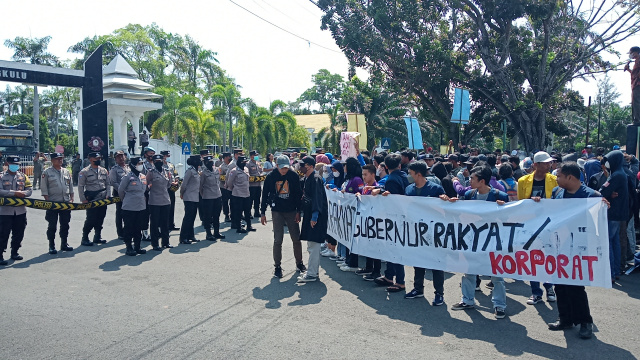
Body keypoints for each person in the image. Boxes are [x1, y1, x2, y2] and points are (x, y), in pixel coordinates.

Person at [441, 166, 509, 319]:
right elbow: (461, 210)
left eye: (472, 178)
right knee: (469, 271)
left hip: (492, 241)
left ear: (482, 181)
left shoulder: (501, 196)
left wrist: (503, 209)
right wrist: (450, 202)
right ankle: (467, 300)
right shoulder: (469, 194)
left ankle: (499, 305)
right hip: (472, 239)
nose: (469, 180)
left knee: (496, 275)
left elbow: (508, 220)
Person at [546, 162, 605, 339]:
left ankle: (585, 321)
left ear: (570, 177)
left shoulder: (592, 196)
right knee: (560, 285)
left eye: (559, 176)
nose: (556, 179)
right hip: (559, 247)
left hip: (579, 249)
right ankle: (565, 319)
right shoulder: (557, 193)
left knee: (576, 287)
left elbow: (599, 226)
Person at [403, 161, 446, 306]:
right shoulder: (409, 189)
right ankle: (418, 288)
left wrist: (445, 201)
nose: (409, 176)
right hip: (415, 232)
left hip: (433, 233)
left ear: (418, 174)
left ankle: (439, 293)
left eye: (411, 173)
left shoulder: (436, 189)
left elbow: (444, 210)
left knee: (436, 264)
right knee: (418, 261)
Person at [518, 151, 558, 304]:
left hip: (549, 225)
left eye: (549, 163)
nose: (549, 165)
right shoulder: (523, 181)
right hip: (530, 226)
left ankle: (549, 287)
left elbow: (558, 201)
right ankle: (536, 292)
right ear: (536, 165)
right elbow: (521, 204)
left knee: (548, 256)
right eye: (546, 163)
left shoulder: (554, 180)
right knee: (532, 258)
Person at [260, 155, 304, 278]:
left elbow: (298, 194)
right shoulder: (271, 177)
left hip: (291, 211)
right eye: (282, 168)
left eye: (286, 168)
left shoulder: (293, 176)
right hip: (277, 211)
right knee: (278, 240)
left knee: (296, 238)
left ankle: (299, 263)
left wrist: (298, 212)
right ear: (277, 166)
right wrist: (263, 213)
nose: (284, 170)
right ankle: (277, 266)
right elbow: (265, 195)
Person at [370, 153, 409, 285]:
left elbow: (393, 198)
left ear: (385, 166)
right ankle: (389, 275)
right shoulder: (405, 176)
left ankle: (399, 281)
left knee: (394, 249)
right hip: (405, 216)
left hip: (395, 217)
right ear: (400, 165)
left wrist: (380, 191)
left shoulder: (391, 180)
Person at [599, 150, 629, 283]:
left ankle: (610, 272)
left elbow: (602, 191)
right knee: (615, 241)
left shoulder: (616, 175)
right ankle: (616, 270)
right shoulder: (622, 174)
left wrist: (607, 194)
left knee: (608, 242)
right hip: (620, 213)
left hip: (613, 213)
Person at [297, 156, 329, 282]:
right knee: (311, 244)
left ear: (310, 166)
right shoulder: (308, 178)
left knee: (314, 245)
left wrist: (315, 215)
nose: (300, 167)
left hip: (315, 216)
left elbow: (317, 198)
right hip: (310, 214)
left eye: (302, 165)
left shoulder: (315, 179)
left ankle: (312, 273)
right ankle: (312, 271)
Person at [0, 155, 33, 264]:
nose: (15, 166)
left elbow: (29, 189)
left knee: (19, 232)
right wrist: (14, 193)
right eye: (12, 164)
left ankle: (15, 252)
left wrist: (23, 194)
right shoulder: (1, 177)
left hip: (20, 211)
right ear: (7, 164)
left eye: (17, 165)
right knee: (3, 233)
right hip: (5, 211)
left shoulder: (23, 176)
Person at [40, 152, 74, 254]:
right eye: (57, 159)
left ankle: (64, 243)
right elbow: (44, 189)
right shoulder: (47, 172)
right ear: (52, 160)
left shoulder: (66, 172)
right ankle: (51, 245)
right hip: (53, 203)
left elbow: (70, 187)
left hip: (65, 203)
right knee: (52, 226)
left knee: (65, 224)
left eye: (61, 158)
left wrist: (71, 198)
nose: (60, 160)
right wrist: (48, 202)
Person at [78, 152, 110, 246]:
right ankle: (85, 238)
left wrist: (108, 194)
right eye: (96, 158)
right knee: (91, 219)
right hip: (92, 198)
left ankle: (97, 236)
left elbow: (108, 183)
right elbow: (80, 186)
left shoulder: (104, 170)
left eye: (99, 158)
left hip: (103, 197)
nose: (98, 160)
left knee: (101, 217)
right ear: (90, 159)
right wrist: (83, 199)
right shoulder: (84, 171)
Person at [118, 157, 148, 256]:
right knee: (129, 228)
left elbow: (144, 190)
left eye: (142, 163)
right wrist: (125, 201)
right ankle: (129, 248)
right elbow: (121, 191)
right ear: (134, 165)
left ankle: (137, 247)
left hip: (141, 206)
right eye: (139, 163)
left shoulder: (143, 176)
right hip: (129, 207)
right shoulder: (127, 177)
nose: (141, 165)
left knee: (138, 228)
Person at [147, 154, 176, 250]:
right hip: (154, 201)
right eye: (156, 162)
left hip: (165, 200)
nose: (158, 163)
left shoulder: (167, 172)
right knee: (155, 223)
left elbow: (169, 185)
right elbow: (146, 184)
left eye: (160, 161)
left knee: (165, 222)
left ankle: (165, 242)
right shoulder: (150, 173)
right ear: (154, 162)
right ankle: (155, 243)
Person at [227, 156, 255, 233]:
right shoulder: (234, 171)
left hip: (246, 193)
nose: (244, 163)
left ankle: (249, 226)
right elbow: (229, 183)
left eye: (245, 162)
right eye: (243, 162)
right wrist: (235, 188)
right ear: (239, 162)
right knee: (238, 211)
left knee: (247, 210)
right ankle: (239, 227)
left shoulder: (246, 169)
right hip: (237, 194)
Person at [199, 155, 225, 241]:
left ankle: (216, 232)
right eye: (208, 162)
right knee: (208, 216)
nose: (210, 163)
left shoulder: (217, 170)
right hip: (208, 197)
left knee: (216, 215)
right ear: (205, 163)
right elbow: (200, 186)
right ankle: (208, 233)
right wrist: (204, 195)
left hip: (217, 195)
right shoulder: (203, 173)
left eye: (211, 161)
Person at [179, 155, 202, 244]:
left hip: (195, 197)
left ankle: (191, 235)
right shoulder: (189, 171)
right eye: (199, 160)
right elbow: (184, 184)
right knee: (188, 217)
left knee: (192, 217)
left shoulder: (197, 171)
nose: (200, 161)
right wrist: (181, 194)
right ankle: (183, 237)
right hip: (189, 197)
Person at [108, 150, 129, 240]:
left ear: (125, 157)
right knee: (120, 213)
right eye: (118, 157)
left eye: (122, 156)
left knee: (128, 213)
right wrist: (122, 190)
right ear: (115, 159)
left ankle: (127, 230)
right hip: (119, 193)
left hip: (130, 193)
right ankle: (120, 233)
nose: (120, 158)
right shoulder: (114, 169)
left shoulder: (129, 168)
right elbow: (113, 182)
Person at [161, 150, 179, 231]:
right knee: (165, 208)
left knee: (172, 207)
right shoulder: (160, 165)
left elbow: (176, 174)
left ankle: (171, 224)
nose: (167, 157)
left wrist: (176, 181)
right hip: (164, 189)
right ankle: (165, 225)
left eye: (168, 155)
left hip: (172, 188)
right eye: (165, 156)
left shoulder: (171, 165)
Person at [624, 46, 640, 124]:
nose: (631, 55)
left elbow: (637, 75)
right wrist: (628, 70)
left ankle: (637, 120)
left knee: (636, 102)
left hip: (638, 85)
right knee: (634, 102)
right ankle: (635, 119)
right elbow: (634, 74)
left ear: (636, 52)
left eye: (631, 53)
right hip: (635, 84)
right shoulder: (636, 62)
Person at [247, 150, 263, 218]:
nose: (256, 156)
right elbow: (247, 174)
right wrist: (253, 178)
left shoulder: (258, 163)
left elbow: (261, 171)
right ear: (251, 156)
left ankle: (256, 212)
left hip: (258, 184)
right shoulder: (248, 164)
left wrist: (261, 176)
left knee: (257, 199)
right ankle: (249, 213)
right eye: (255, 155)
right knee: (250, 200)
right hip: (251, 185)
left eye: (256, 155)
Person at [219, 152, 233, 223]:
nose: (230, 158)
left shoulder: (233, 165)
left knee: (232, 201)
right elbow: (220, 177)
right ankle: (226, 215)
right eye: (229, 157)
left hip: (231, 186)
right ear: (225, 158)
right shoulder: (222, 167)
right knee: (225, 202)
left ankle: (232, 215)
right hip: (224, 187)